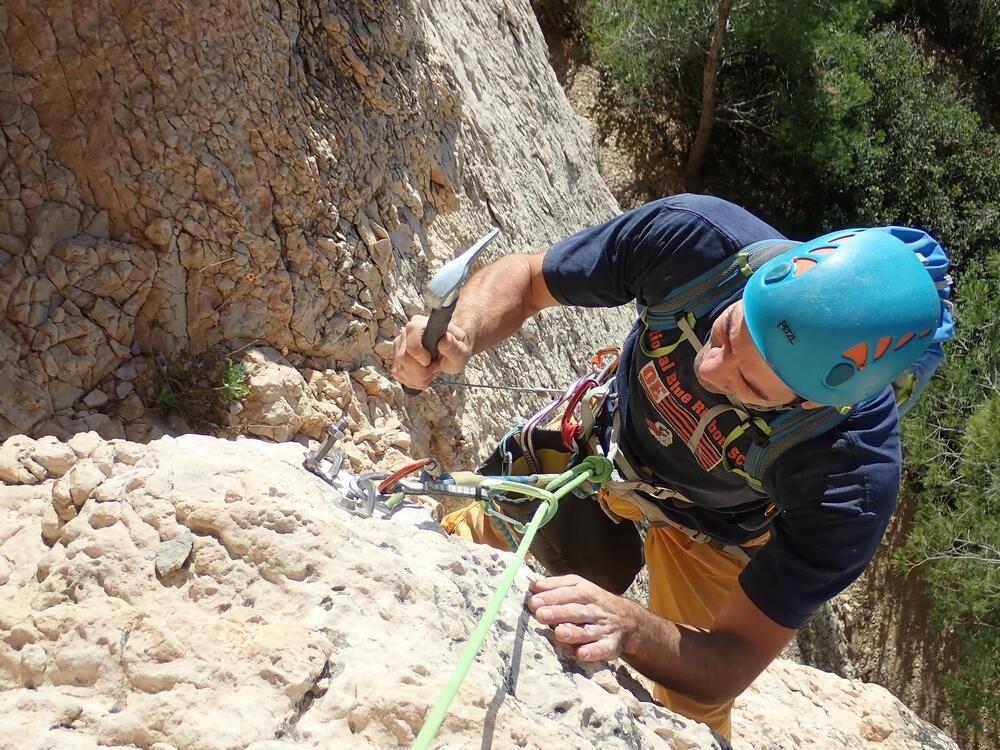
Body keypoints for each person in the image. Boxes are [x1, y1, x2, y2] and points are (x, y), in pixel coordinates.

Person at [391, 194, 952, 740]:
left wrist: (631, 627)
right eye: (729, 329)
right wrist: (464, 328)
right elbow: (531, 278)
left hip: (717, 534)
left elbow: (729, 660)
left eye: (749, 385)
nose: (711, 368)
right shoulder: (697, 244)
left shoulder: (849, 480)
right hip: (610, 447)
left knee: (692, 709)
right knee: (474, 543)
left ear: (813, 404)